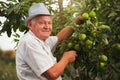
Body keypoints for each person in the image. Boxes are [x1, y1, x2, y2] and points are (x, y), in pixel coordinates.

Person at [16, 3, 82, 80]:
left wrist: (76, 23)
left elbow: (59, 37)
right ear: (30, 25)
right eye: (42, 23)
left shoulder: (42, 39)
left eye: (49, 23)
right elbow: (52, 74)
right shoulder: (30, 42)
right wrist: (66, 58)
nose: (47, 27)